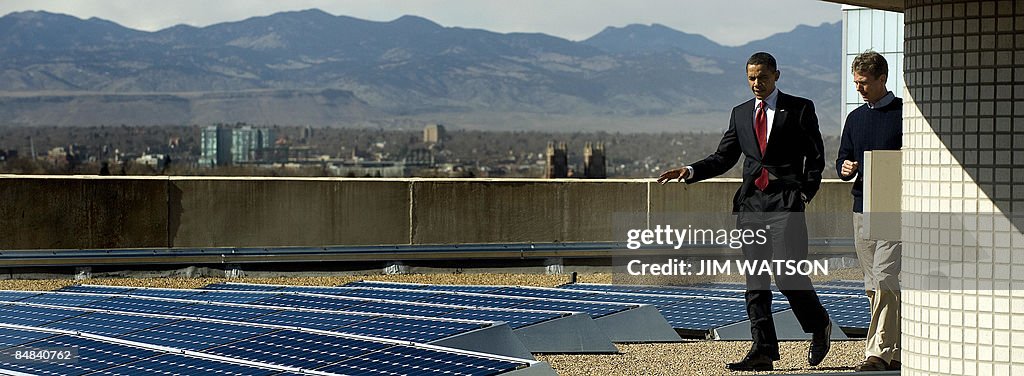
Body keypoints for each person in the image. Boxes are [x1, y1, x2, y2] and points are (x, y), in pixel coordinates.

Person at [658, 52, 831, 371]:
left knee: (787, 275)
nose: (756, 83)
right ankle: (762, 351)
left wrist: (805, 193)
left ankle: (819, 326)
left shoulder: (800, 108)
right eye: (751, 78)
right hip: (751, 205)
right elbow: (723, 157)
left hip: (786, 204)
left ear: (776, 76)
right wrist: (691, 170)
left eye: (762, 77)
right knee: (756, 281)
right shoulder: (740, 114)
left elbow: (816, 157)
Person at [836, 50, 902, 372]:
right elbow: (842, 160)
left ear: (881, 79)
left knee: (886, 278)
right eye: (856, 83)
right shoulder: (855, 119)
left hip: (893, 207)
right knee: (870, 282)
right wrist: (845, 167)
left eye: (863, 83)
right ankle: (897, 349)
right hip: (861, 207)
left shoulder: (905, 114)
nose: (859, 88)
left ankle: (878, 352)